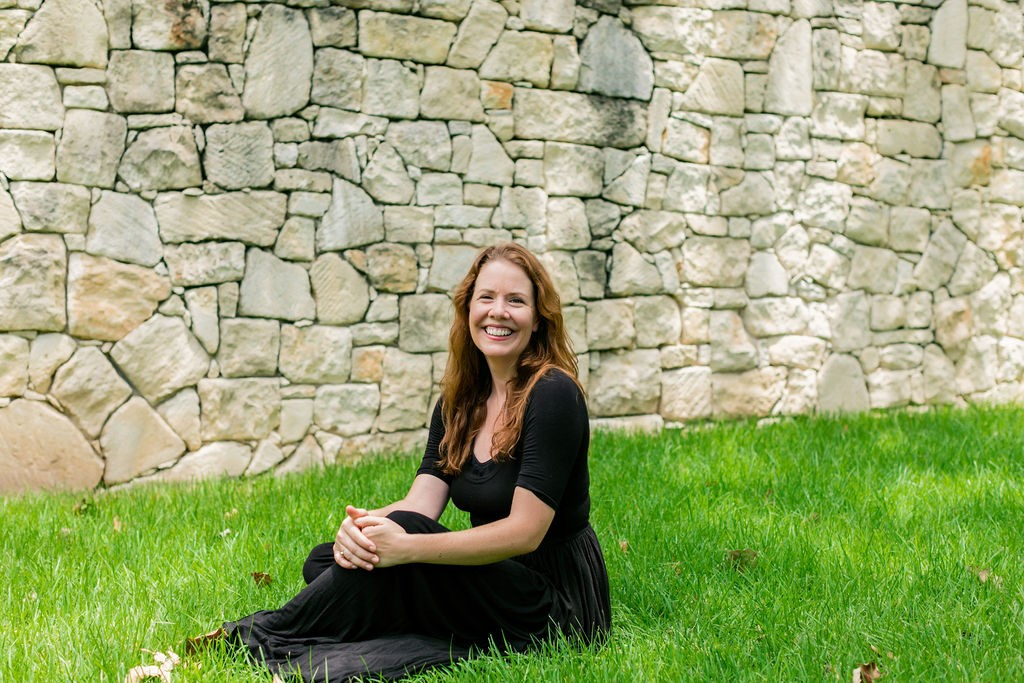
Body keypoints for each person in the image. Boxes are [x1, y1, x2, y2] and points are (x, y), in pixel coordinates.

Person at [211, 242, 611, 681]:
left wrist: (407, 548)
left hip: (553, 602)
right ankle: (372, 601)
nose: (498, 312)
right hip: (495, 581)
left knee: (389, 557)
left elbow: (525, 533)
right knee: (328, 561)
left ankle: (264, 635)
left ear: (538, 319)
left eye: (515, 300)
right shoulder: (459, 402)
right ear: (467, 310)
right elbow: (421, 503)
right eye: (487, 298)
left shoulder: (552, 393)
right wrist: (361, 530)